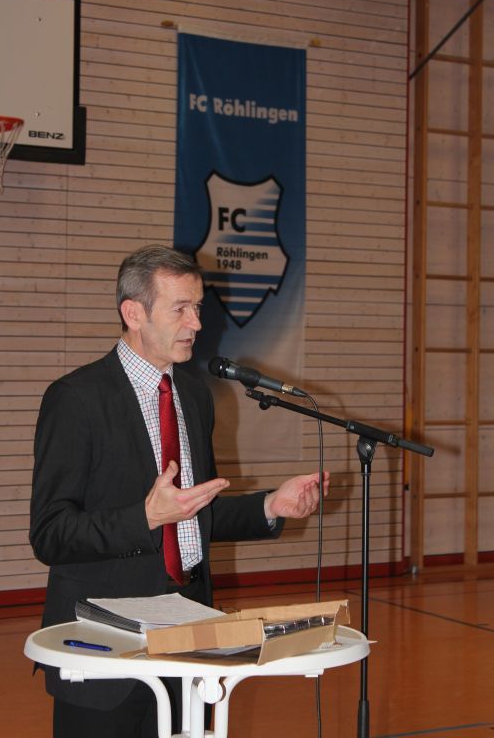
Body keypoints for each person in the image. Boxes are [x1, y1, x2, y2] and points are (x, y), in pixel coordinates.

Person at [30, 244, 329, 738]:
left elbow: (192, 514)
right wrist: (145, 517)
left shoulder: (193, 396)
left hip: (189, 634)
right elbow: (50, 533)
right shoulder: (75, 399)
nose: (196, 323)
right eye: (181, 309)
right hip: (104, 646)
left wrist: (270, 505)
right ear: (134, 313)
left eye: (198, 308)